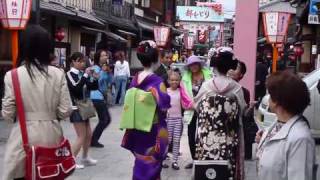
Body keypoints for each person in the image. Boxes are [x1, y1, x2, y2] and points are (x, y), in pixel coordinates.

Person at [1, 25, 72, 180]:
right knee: (51, 173)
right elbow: (65, 110)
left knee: (21, 173)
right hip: (52, 135)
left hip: (23, 136)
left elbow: (8, 114)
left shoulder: (12, 76)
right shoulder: (58, 74)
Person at [121, 40, 171, 180]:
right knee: (152, 165)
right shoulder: (156, 81)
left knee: (141, 161)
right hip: (152, 129)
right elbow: (164, 105)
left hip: (137, 128)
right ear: (156, 59)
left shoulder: (135, 78)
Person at [194, 50, 246, 180]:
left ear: (215, 66)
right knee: (226, 170)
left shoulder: (206, 86)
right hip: (228, 137)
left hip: (207, 138)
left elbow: (197, 107)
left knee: (206, 171)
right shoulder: (236, 88)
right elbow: (243, 109)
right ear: (230, 67)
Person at [256, 71, 316, 180]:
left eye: (271, 94)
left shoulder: (300, 139)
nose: (268, 98)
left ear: (277, 102)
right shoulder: (278, 123)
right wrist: (264, 141)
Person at [66, 52, 99, 169]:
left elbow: (93, 87)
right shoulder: (69, 74)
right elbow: (76, 89)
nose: (82, 63)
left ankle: (85, 157)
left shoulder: (81, 74)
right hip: (76, 108)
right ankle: (70, 161)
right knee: (81, 136)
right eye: (79, 61)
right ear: (73, 62)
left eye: (83, 61)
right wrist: (85, 76)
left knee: (88, 134)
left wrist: (94, 79)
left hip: (85, 106)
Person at [180, 55, 212, 169]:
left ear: (199, 64)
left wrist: (202, 104)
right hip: (191, 109)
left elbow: (212, 90)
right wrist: (194, 105)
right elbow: (183, 95)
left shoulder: (209, 75)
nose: (193, 66)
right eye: (191, 65)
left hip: (206, 108)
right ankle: (194, 159)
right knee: (190, 135)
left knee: (205, 134)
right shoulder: (185, 78)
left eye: (195, 64)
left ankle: (204, 159)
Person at [162, 70, 193, 170]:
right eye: (172, 80)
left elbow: (185, 103)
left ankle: (174, 161)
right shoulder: (166, 91)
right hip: (168, 119)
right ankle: (162, 160)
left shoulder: (181, 91)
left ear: (179, 81)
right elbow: (162, 105)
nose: (174, 82)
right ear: (168, 81)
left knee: (176, 141)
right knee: (167, 141)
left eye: (176, 80)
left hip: (179, 119)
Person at [228, 60, 258, 159]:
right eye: (231, 67)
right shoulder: (219, 87)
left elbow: (245, 114)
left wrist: (250, 107)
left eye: (235, 68)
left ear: (241, 74)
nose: (231, 70)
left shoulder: (244, 92)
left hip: (236, 130)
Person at [90, 50, 112, 148]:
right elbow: (97, 81)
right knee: (104, 119)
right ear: (98, 57)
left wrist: (109, 72)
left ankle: (93, 138)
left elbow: (110, 82)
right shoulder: (94, 68)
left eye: (106, 55)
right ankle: (93, 140)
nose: (105, 57)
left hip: (102, 96)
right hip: (96, 96)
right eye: (103, 55)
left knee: (107, 119)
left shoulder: (105, 68)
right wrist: (103, 71)